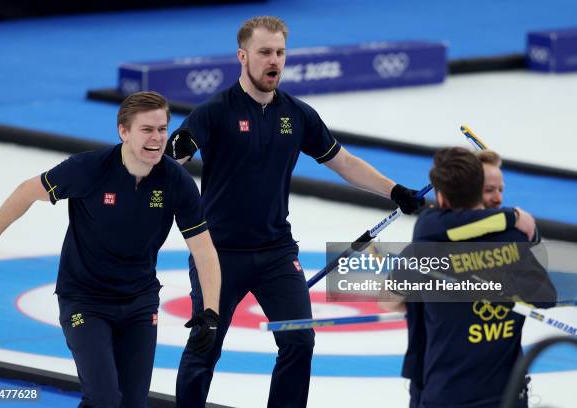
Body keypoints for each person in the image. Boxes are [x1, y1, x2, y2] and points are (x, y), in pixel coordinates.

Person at [167, 15, 424, 408]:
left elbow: (345, 163)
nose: (274, 60)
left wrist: (394, 190)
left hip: (276, 253)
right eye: (264, 52)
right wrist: (173, 150)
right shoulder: (214, 111)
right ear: (242, 56)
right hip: (218, 256)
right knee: (205, 343)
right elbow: (175, 159)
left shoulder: (298, 114)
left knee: (299, 339)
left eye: (280, 52)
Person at [0, 91, 221, 408]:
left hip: (140, 303)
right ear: (123, 131)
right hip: (84, 301)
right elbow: (27, 191)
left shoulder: (176, 181)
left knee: (133, 403)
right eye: (147, 129)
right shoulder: (90, 168)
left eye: (162, 129)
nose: (157, 138)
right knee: (103, 398)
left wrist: (210, 312)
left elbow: (204, 251)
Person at [385, 147, 555, 408]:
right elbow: (545, 298)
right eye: (490, 190)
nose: (497, 199)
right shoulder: (514, 239)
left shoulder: (425, 245)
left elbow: (389, 302)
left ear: (441, 199)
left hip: (446, 393)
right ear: (479, 191)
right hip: (505, 394)